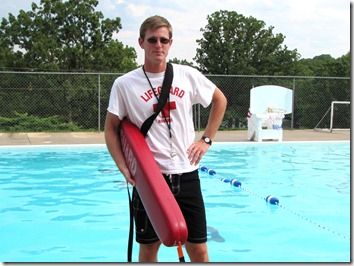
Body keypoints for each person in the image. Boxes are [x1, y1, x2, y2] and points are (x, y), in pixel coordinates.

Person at [104, 15, 227, 262]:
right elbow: (111, 129)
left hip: (187, 174)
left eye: (163, 40)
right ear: (141, 42)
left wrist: (206, 140)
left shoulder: (187, 75)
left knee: (199, 249)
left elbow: (219, 100)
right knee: (149, 249)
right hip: (151, 180)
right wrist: (122, 166)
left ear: (170, 43)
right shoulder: (125, 84)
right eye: (152, 40)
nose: (158, 45)